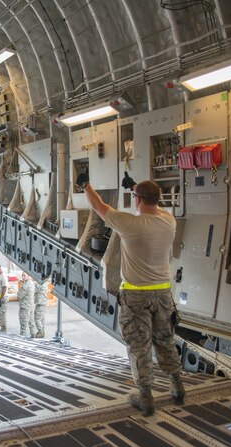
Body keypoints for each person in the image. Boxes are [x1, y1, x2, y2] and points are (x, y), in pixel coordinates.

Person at [77, 170, 184, 414]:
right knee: (165, 340)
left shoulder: (129, 224)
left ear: (137, 200)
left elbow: (98, 205)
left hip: (136, 296)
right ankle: (177, 386)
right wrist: (135, 187)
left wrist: (85, 185)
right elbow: (154, 202)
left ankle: (145, 396)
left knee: (139, 345)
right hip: (163, 294)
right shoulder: (169, 221)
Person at [17, 272, 35, 336]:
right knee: (31, 322)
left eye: (24, 276)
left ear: (28, 276)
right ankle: (33, 335)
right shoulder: (32, 283)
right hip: (31, 305)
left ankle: (22, 338)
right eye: (22, 276)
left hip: (25, 307)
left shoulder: (25, 285)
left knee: (23, 324)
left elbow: (19, 296)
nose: (23, 277)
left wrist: (18, 292)